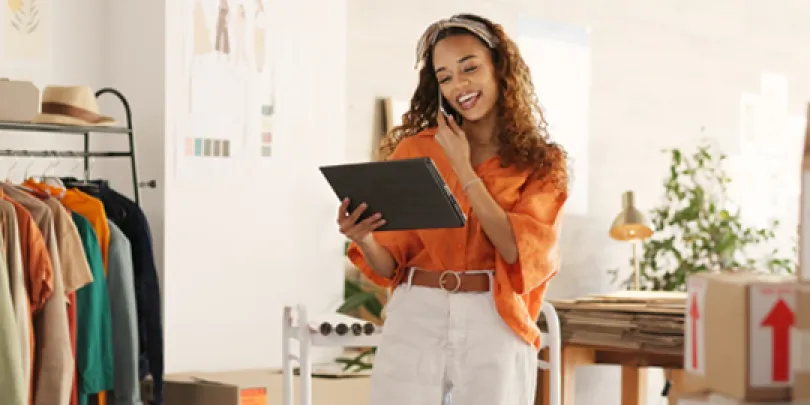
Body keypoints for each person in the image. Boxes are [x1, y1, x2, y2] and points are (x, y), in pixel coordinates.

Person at [338, 13, 569, 405]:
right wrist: (365, 238)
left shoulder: (542, 163)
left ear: (499, 67)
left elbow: (517, 250)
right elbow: (390, 266)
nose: (459, 85)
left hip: (493, 317)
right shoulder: (416, 151)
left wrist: (463, 168)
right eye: (444, 77)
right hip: (417, 312)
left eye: (469, 68)